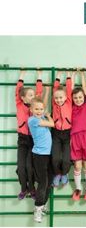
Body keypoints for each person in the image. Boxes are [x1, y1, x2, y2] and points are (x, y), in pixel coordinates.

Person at [15, 69, 43, 200]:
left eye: (33, 95)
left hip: (33, 140)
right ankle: (23, 188)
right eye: (30, 95)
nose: (33, 97)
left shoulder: (34, 108)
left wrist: (39, 77)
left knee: (29, 167)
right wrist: (22, 75)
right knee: (21, 168)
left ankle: (32, 189)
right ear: (23, 97)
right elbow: (18, 90)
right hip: (22, 140)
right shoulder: (19, 104)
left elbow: (39, 93)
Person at [28, 95, 54, 223]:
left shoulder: (41, 117)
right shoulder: (32, 120)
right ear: (31, 110)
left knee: (49, 182)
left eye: (41, 109)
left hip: (48, 154)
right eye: (37, 109)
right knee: (43, 182)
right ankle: (37, 208)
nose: (39, 111)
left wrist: (47, 92)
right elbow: (52, 124)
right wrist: (48, 115)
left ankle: (42, 205)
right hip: (39, 156)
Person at [71, 70, 86, 201]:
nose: (78, 99)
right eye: (76, 98)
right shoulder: (71, 106)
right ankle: (78, 188)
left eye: (80, 97)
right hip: (74, 137)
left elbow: (85, 90)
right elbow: (70, 92)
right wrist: (73, 76)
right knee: (77, 166)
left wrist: (81, 76)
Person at [52, 71, 72, 187]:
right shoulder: (54, 104)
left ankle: (64, 173)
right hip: (56, 133)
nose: (59, 100)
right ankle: (57, 174)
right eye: (56, 98)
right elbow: (55, 89)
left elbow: (69, 88)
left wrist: (68, 74)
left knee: (66, 159)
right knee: (55, 158)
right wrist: (58, 77)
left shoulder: (68, 102)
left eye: (61, 97)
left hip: (67, 133)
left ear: (65, 97)